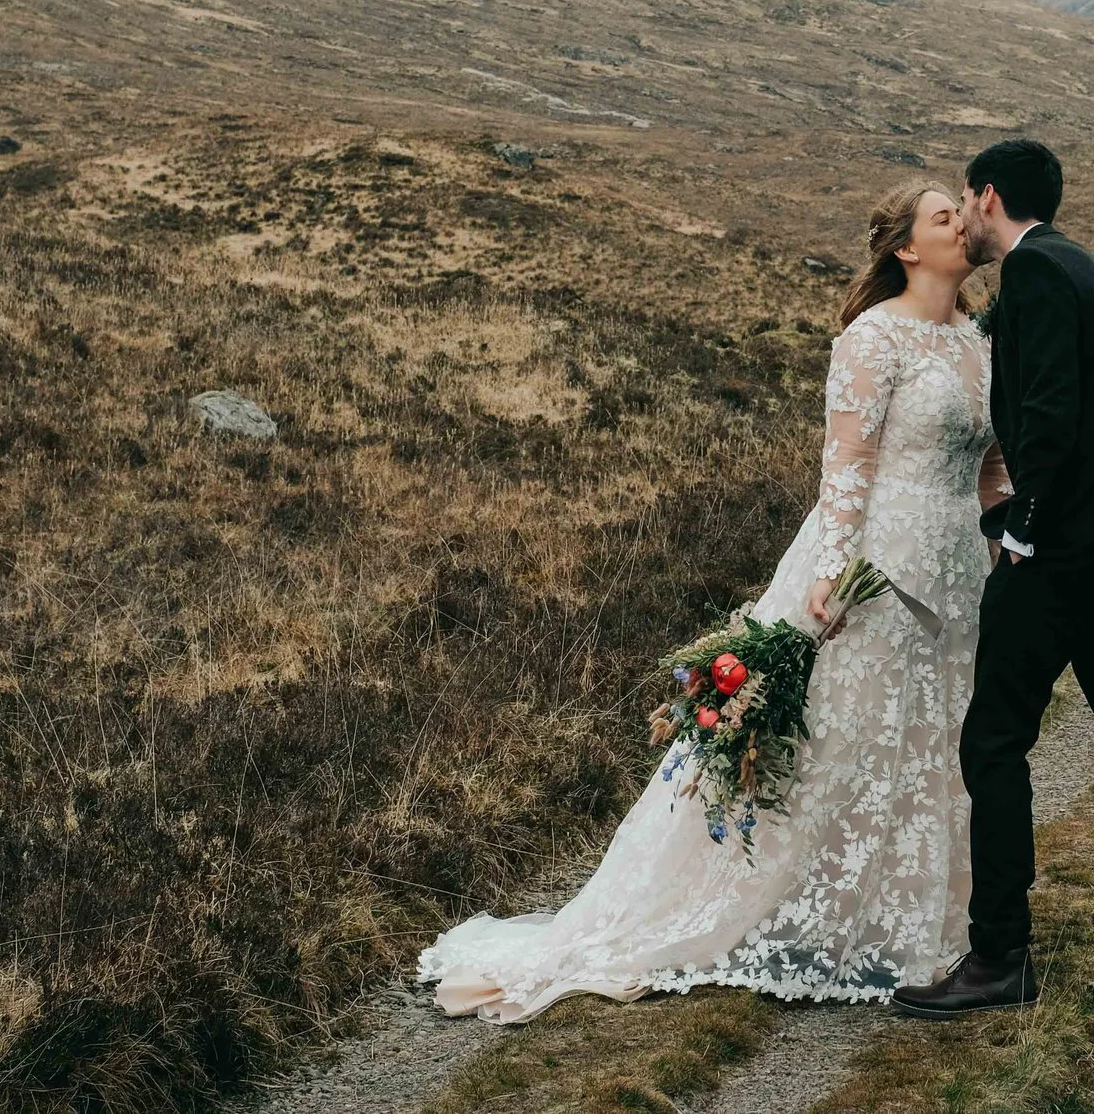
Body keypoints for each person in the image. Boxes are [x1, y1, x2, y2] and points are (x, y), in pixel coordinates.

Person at [419, 181, 1010, 1021]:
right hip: (878, 567)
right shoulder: (874, 339)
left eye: (961, 211)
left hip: (957, 572)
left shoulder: (978, 340)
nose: (961, 223)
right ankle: (777, 908)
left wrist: (1001, 540)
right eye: (943, 216)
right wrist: (832, 569)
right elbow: (846, 466)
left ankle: (908, 916)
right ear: (908, 249)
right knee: (842, 737)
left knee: (933, 741)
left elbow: (991, 467)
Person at [890, 138, 1094, 1028]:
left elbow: (1050, 413)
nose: (960, 216)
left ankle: (998, 954)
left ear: (987, 196)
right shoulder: (1090, 268)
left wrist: (1020, 533)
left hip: (1071, 549)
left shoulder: (1036, 275)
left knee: (993, 737)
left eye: (964, 200)